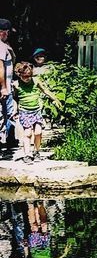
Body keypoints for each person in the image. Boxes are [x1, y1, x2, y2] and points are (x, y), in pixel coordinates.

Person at [12, 60, 57, 162]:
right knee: (27, 133)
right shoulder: (16, 85)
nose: (27, 79)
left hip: (36, 111)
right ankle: (27, 155)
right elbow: (15, 98)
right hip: (24, 111)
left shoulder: (36, 81)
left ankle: (36, 152)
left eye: (29, 76)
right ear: (19, 75)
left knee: (38, 132)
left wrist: (55, 99)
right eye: (25, 76)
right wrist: (15, 110)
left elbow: (45, 91)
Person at [0, 19, 13, 151]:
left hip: (7, 86)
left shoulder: (4, 45)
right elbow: (0, 67)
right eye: (7, 32)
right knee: (4, 115)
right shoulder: (1, 46)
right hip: (4, 89)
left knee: (6, 115)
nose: (8, 35)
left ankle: (7, 141)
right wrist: (4, 87)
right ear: (2, 32)